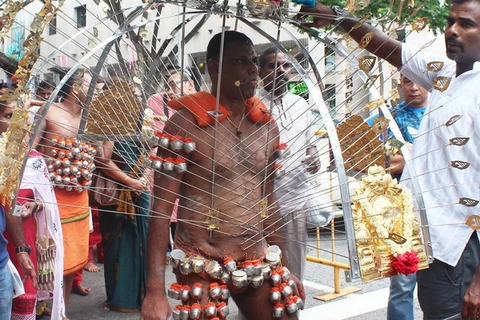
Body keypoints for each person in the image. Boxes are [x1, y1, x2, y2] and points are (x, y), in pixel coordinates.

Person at [299, 0, 480, 318]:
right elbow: (387, 47)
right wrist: (339, 18)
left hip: (461, 245)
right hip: (428, 234)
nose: (452, 30)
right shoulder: (445, 73)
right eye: (450, 22)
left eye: (466, 24)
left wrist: (478, 283)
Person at [140, 31, 304, 320]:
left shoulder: (266, 126)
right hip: (201, 258)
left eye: (253, 61)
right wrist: (154, 290)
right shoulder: (185, 124)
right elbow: (161, 210)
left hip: (257, 253)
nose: (253, 69)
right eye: (241, 61)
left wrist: (287, 267)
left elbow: (269, 202)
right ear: (215, 68)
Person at [257, 47, 328, 281]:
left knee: (295, 262)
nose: (281, 70)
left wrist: (314, 159)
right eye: (273, 66)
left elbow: (310, 143)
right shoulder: (253, 105)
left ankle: (293, 310)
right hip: (261, 202)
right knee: (262, 263)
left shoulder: (300, 104)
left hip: (295, 197)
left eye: (285, 66)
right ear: (260, 72)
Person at [33, 67, 95, 316]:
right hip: (51, 196)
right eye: (91, 86)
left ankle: (62, 310)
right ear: (76, 87)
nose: (95, 92)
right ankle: (39, 306)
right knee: (46, 256)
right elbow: (30, 151)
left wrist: (98, 144)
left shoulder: (91, 118)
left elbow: (102, 157)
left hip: (78, 197)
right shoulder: (48, 110)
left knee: (71, 259)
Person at [385, 75, 428, 320]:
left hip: (442, 211)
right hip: (402, 212)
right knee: (403, 283)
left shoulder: (441, 113)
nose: (414, 87)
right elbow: (389, 163)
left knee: (444, 284)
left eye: (419, 80)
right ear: (399, 83)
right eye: (407, 81)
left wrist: (413, 154)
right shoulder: (390, 119)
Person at [95, 136, 150, 312]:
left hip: (141, 186)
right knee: (117, 245)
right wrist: (129, 181)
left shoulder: (142, 118)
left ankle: (146, 296)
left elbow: (153, 149)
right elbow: (103, 160)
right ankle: (119, 298)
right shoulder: (112, 120)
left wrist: (144, 177)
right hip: (117, 190)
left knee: (142, 239)